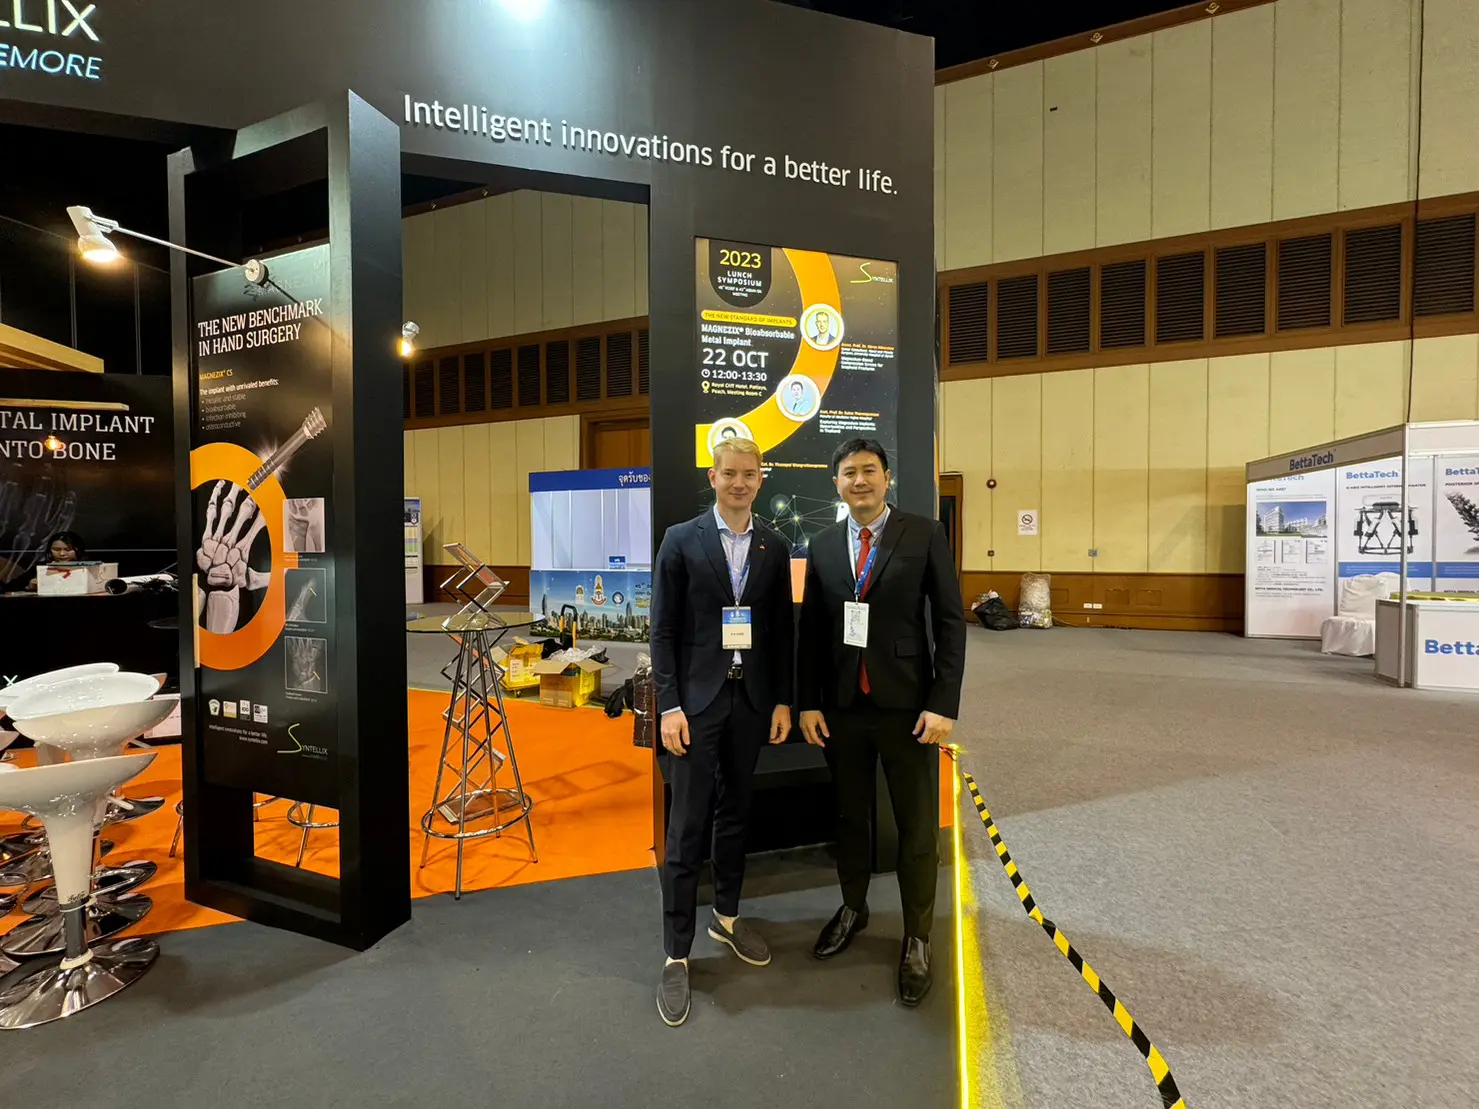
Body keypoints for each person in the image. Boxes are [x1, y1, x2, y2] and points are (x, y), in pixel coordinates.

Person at [797, 438, 966, 1006]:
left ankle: (918, 936)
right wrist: (809, 702)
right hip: (842, 709)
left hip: (908, 709)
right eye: (849, 473)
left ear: (887, 478)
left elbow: (950, 622)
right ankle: (853, 907)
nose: (860, 481)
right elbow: (812, 631)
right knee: (850, 816)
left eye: (869, 470)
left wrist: (943, 703)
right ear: (837, 484)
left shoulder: (923, 534)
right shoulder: (822, 544)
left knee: (916, 827)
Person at [649, 436, 794, 1027]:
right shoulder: (681, 539)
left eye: (749, 475)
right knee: (686, 825)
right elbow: (662, 630)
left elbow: (782, 629)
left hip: (750, 702)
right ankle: (676, 953)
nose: (739, 483)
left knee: (736, 813)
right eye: (729, 473)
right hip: (695, 705)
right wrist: (669, 706)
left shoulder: (773, 545)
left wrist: (781, 699)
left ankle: (727, 919)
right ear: (713, 477)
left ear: (761, 479)